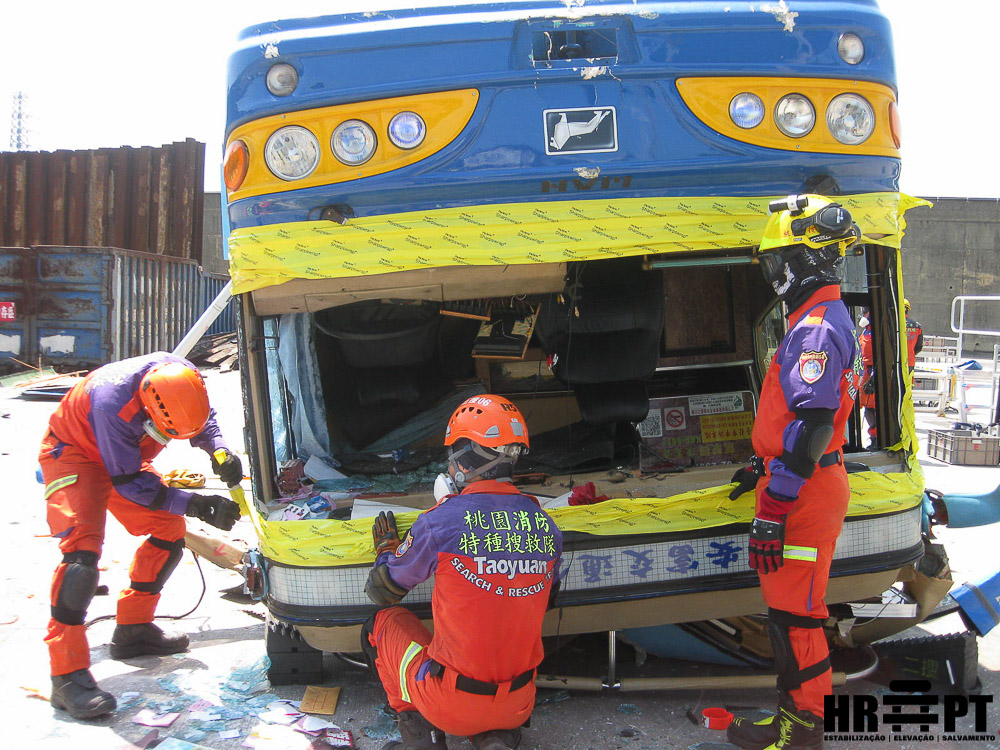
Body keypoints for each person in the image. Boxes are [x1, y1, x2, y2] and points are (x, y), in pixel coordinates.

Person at [39, 352, 243, 719]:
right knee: (81, 557)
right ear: (149, 409)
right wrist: (195, 504)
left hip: (124, 458)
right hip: (75, 454)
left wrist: (220, 449)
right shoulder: (109, 405)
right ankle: (66, 677)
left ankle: (133, 630)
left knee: (169, 529)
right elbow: (131, 483)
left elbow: (203, 420)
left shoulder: (182, 376)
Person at [726, 195, 861, 750]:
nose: (771, 272)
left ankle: (803, 728)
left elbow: (813, 428)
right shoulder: (822, 318)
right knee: (786, 615)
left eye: (775, 260)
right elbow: (798, 423)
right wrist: (760, 466)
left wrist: (776, 503)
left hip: (802, 495)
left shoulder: (815, 330)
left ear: (802, 260)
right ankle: (794, 716)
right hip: (799, 484)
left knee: (797, 619)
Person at [361, 395, 563, 750]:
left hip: (452, 703)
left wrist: (386, 552)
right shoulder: (547, 527)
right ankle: (494, 733)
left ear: (466, 456)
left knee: (381, 623)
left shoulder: (442, 521)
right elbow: (543, 599)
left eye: (453, 450)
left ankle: (418, 732)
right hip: (520, 702)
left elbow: (383, 590)